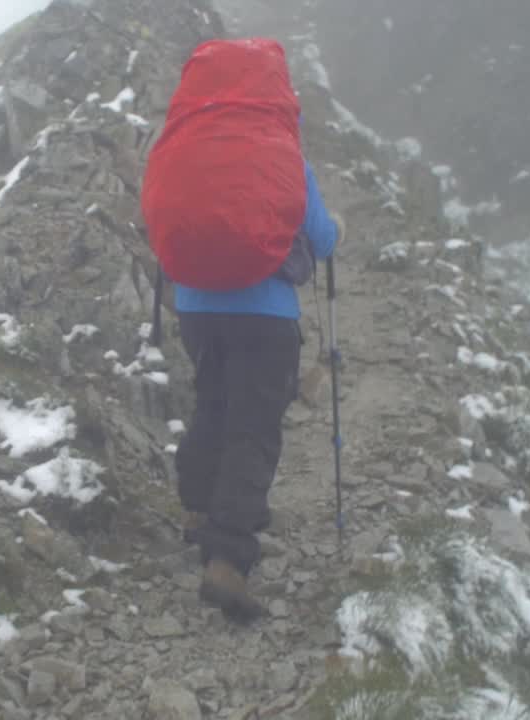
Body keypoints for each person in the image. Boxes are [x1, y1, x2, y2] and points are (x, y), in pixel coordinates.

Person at [153, 46, 339, 622]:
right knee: (253, 426)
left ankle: (198, 507)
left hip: (197, 307)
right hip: (265, 311)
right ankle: (228, 558)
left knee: (213, 403)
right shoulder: (280, 150)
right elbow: (324, 238)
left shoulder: (180, 142)